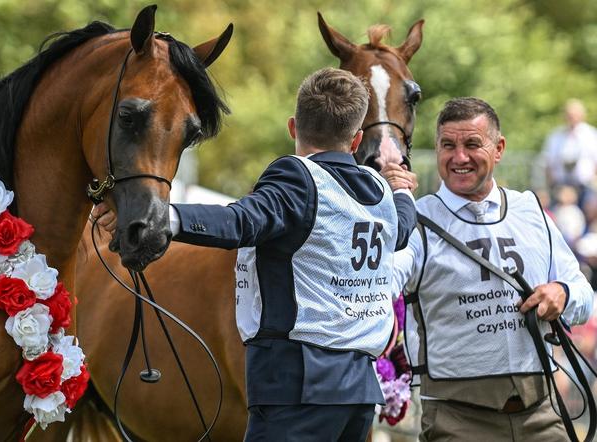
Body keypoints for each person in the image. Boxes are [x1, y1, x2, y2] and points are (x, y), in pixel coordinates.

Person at [92, 67, 418, 441]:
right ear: (357, 139)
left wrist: (157, 218)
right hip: (359, 390)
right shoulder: (379, 190)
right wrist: (403, 188)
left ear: (294, 127)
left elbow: (240, 221)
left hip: (297, 386)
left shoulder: (298, 177)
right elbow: (403, 228)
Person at [393, 97, 594, 441]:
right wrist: (385, 204)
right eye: (447, 145)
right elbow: (380, 280)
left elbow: (584, 296)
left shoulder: (530, 210)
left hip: (542, 415)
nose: (459, 157)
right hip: (456, 421)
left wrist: (562, 292)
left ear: (499, 148)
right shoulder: (417, 220)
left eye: (472, 144)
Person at [543, 98, 597, 209]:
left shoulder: (591, 135)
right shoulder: (556, 136)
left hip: (586, 186)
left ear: (582, 115)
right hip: (561, 187)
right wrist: (554, 187)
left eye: (575, 114)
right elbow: (548, 163)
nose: (572, 118)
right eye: (569, 114)